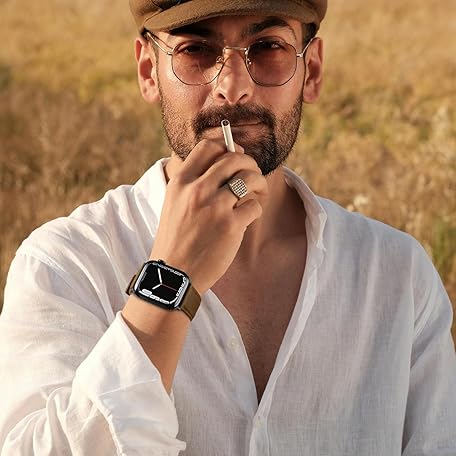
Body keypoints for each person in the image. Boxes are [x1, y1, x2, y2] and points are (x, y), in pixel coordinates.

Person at [0, 0, 455, 454]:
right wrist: (171, 277)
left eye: (268, 47)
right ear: (148, 71)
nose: (233, 88)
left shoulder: (398, 277)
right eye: (196, 50)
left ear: (312, 71)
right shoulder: (65, 266)